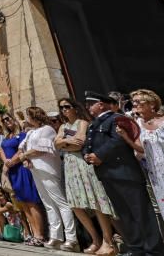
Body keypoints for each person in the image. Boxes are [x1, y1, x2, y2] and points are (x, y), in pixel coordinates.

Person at [82, 90, 163, 256]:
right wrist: (87, 155)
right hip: (107, 174)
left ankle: (153, 249)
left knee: (141, 212)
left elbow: (119, 140)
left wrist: (100, 155)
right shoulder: (93, 124)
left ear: (101, 104)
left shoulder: (117, 119)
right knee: (124, 214)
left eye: (91, 104)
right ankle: (136, 247)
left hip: (124, 172)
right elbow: (87, 143)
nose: (88, 107)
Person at [54, 97, 117, 256]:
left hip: (82, 165)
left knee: (95, 202)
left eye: (67, 106)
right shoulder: (63, 126)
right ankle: (95, 239)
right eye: (61, 108)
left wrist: (63, 143)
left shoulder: (82, 122)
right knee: (75, 205)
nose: (64, 110)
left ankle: (107, 240)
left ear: (75, 107)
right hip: (69, 166)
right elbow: (55, 144)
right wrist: (67, 143)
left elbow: (80, 142)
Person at [19, 105, 78, 251]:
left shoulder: (47, 129)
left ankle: (71, 238)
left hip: (47, 168)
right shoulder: (31, 132)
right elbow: (23, 146)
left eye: (29, 116)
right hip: (35, 169)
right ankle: (56, 236)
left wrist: (25, 156)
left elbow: (41, 149)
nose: (27, 119)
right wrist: (25, 157)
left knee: (60, 202)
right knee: (48, 203)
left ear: (34, 117)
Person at [0, 113, 45, 246]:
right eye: (4, 120)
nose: (6, 121)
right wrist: (6, 162)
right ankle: (33, 234)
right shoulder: (6, 137)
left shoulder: (22, 134)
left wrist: (12, 161)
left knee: (31, 202)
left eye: (8, 118)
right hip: (12, 171)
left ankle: (39, 235)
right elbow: (1, 151)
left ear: (14, 119)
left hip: (21, 169)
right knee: (23, 204)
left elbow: (21, 149)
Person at [124, 89, 164, 222]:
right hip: (156, 175)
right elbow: (141, 149)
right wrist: (126, 137)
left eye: (138, 101)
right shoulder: (137, 126)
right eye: (133, 102)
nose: (134, 105)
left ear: (152, 104)